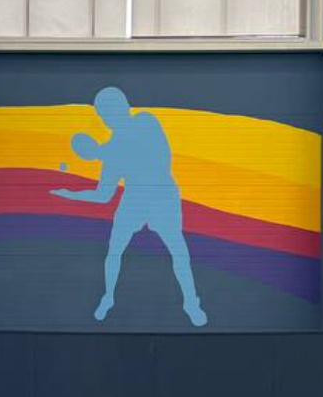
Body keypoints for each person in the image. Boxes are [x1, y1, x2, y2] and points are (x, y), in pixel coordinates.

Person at [50, 85, 207, 327]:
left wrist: (102, 152)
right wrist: (72, 195)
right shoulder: (111, 152)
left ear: (123, 106)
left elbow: (160, 157)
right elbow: (104, 195)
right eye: (103, 114)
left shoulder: (146, 121)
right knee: (114, 250)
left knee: (178, 249)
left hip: (161, 193)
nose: (107, 117)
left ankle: (191, 303)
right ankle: (108, 297)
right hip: (134, 198)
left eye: (109, 110)